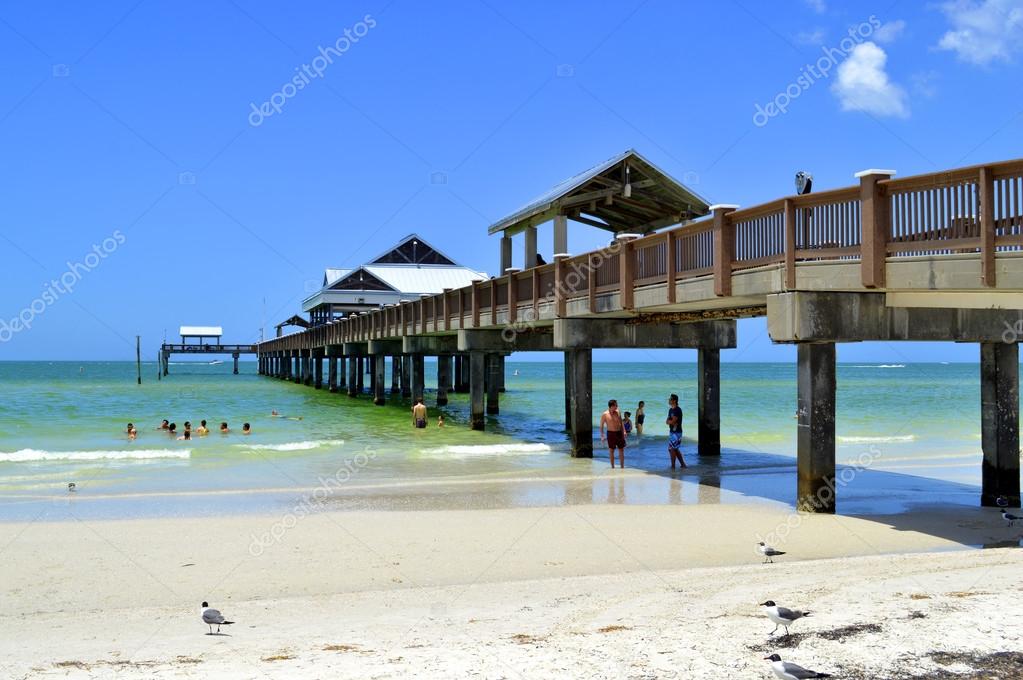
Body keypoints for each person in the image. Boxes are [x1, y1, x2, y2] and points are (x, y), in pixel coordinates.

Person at [599, 399, 627, 468]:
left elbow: (621, 422)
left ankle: (622, 467)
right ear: (611, 406)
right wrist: (602, 435)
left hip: (619, 433)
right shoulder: (605, 414)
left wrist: (624, 431)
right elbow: (601, 425)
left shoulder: (618, 412)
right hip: (611, 433)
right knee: (611, 450)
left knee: (621, 450)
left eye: (617, 405)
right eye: (615, 405)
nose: (617, 406)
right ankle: (612, 467)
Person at [666, 394, 685, 469]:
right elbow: (667, 421)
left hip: (677, 432)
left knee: (672, 449)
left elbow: (673, 421)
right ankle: (683, 464)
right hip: (672, 431)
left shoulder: (677, 409)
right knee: (674, 449)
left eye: (670, 399)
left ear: (674, 401)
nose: (669, 400)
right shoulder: (670, 410)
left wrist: (670, 421)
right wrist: (671, 421)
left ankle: (673, 466)